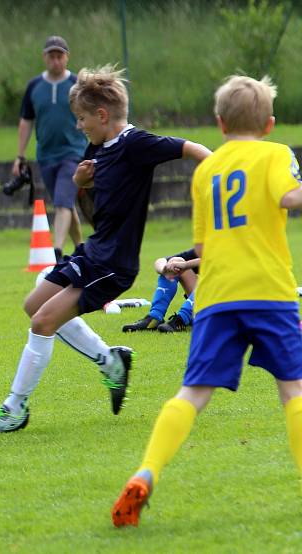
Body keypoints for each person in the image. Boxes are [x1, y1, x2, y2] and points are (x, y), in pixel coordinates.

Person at [0, 65, 210, 433]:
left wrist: (227, 172)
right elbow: (95, 214)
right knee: (34, 304)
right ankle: (109, 361)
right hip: (95, 250)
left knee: (42, 322)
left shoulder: (136, 143)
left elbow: (194, 149)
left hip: (114, 263)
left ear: (102, 114)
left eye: (81, 119)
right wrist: (81, 185)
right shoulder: (97, 147)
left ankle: (14, 409)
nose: (79, 126)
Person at [111, 75, 302, 527]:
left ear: (219, 123)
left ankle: (146, 471)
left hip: (216, 298)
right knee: (293, 389)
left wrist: (182, 268)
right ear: (270, 123)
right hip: (269, 293)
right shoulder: (275, 154)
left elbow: (204, 248)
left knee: (193, 392)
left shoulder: (206, 171)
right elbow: (290, 196)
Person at [14, 35, 87, 260]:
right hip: (46, 156)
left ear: (67, 57)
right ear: (45, 57)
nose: (56, 60)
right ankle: (82, 249)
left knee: (63, 200)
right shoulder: (35, 86)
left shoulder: (77, 85)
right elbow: (26, 120)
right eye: (51, 56)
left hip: (73, 153)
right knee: (64, 202)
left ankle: (57, 251)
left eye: (60, 56)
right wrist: (20, 156)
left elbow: (90, 116)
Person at [122, 249, 199, 333]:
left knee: (213, 278)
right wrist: (165, 269)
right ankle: (155, 317)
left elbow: (212, 261)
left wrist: (185, 265)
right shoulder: (208, 247)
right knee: (174, 261)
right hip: (202, 302)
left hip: (213, 306)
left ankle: (182, 319)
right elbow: (161, 261)